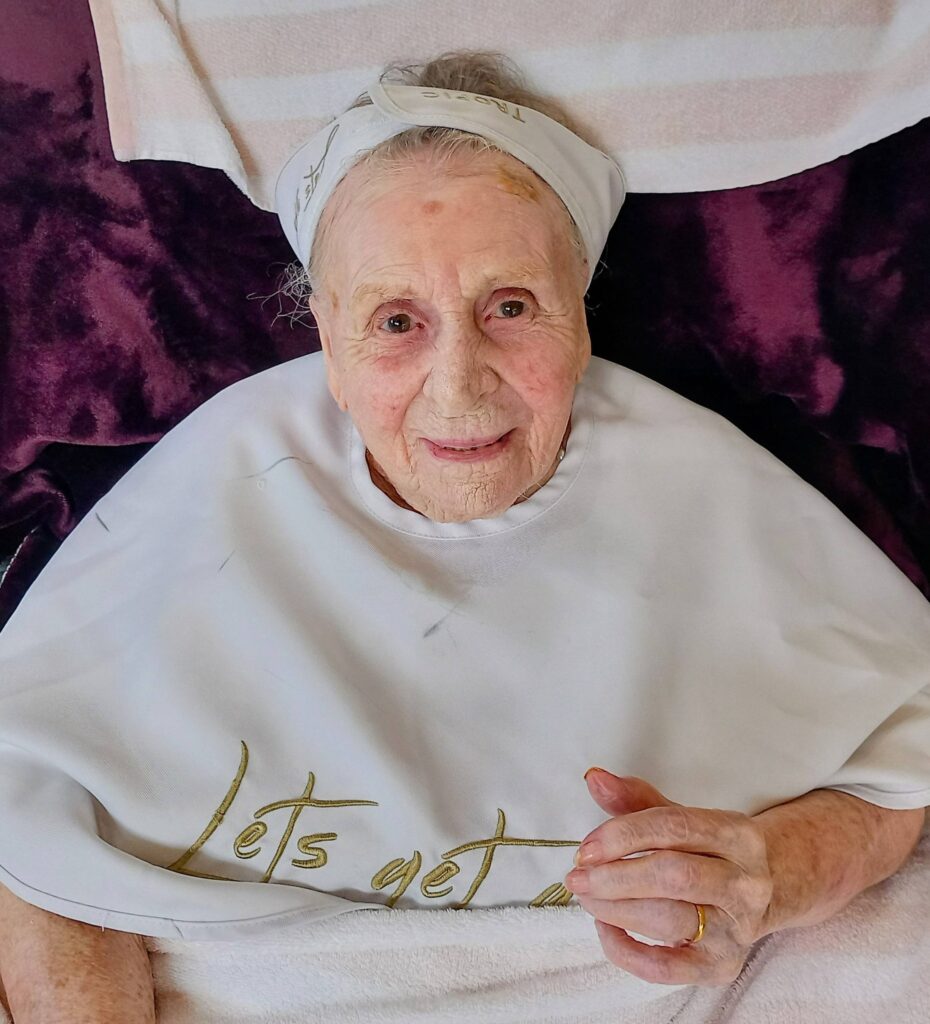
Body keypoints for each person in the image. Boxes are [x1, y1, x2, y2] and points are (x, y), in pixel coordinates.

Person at [0, 50, 928, 1022]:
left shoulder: (705, 484)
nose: (460, 385)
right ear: (325, 333)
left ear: (579, 306)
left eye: (511, 307)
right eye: (398, 320)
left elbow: (900, 772)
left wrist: (765, 871)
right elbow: (30, 815)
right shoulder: (218, 475)